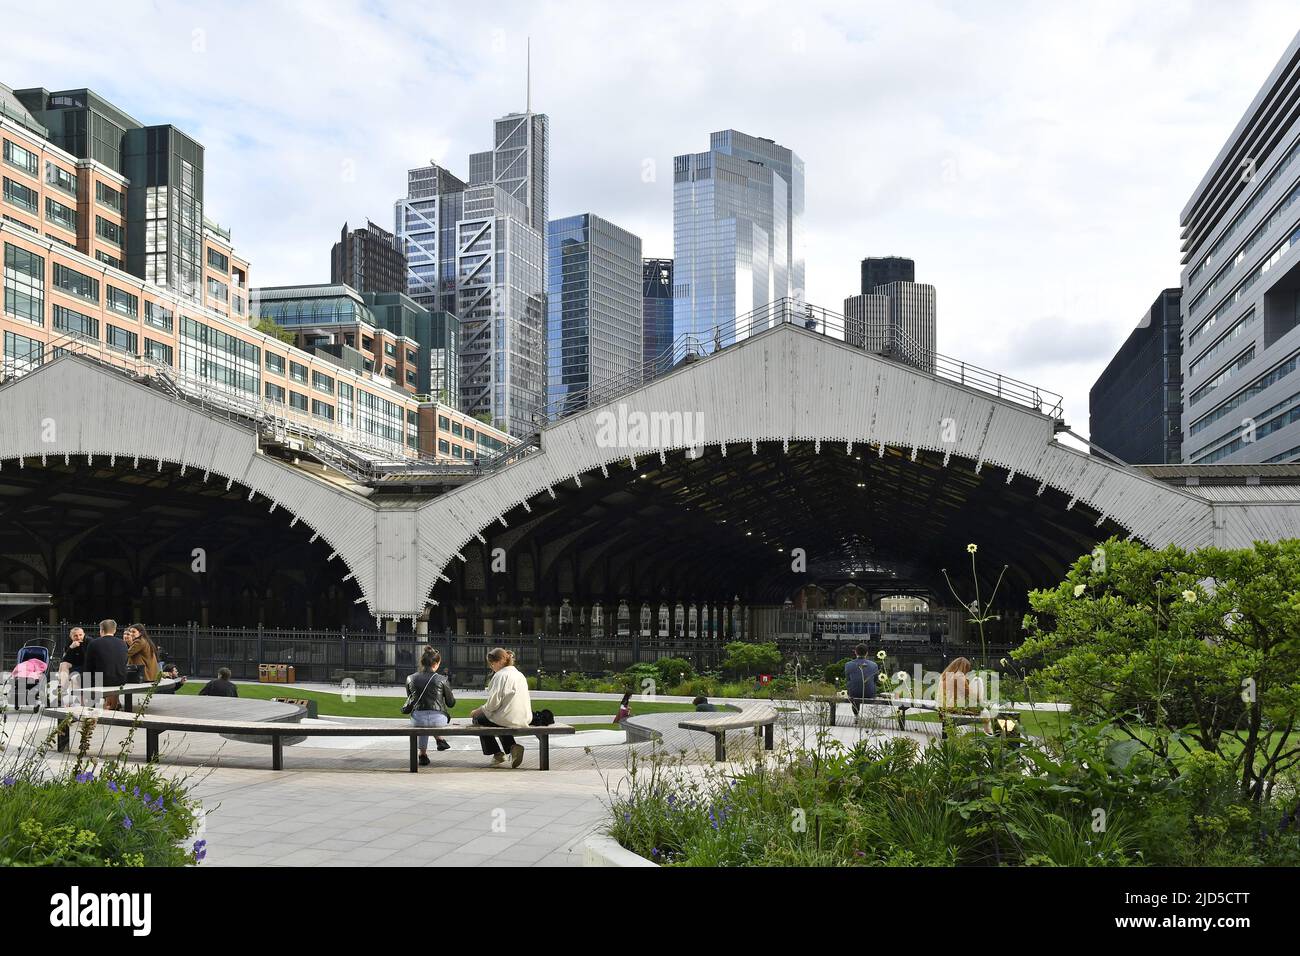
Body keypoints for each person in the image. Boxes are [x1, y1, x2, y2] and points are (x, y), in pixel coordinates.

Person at [470, 648, 531, 768]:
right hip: (524, 717)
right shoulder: (519, 674)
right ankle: (512, 748)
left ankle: (497, 754)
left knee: (478, 719)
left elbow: (493, 704)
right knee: (496, 719)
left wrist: (477, 711)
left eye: (492, 664)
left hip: (508, 717)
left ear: (498, 662)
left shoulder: (500, 675)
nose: (492, 667)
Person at [405, 647, 455, 765]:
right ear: (436, 664)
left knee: (423, 723)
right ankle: (439, 739)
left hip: (418, 718)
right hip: (438, 719)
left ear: (422, 662)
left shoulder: (410, 678)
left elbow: (411, 699)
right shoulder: (442, 679)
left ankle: (422, 754)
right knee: (430, 720)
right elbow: (451, 703)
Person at [935, 657, 991, 733]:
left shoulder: (944, 676)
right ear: (964, 667)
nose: (967, 672)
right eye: (967, 669)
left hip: (942, 708)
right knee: (986, 712)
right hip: (953, 709)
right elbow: (971, 696)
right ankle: (989, 732)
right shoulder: (959, 676)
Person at [82, 619, 128, 710]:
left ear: (101, 630)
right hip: (120, 678)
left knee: (84, 677)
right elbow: (124, 661)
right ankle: (112, 705)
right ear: (114, 630)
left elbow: (88, 665)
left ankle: (91, 707)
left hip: (101, 680)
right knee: (109, 676)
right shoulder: (122, 643)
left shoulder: (94, 643)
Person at [844, 643, 880, 718]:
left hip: (853, 693)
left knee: (854, 690)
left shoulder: (848, 664)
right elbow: (876, 680)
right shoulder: (874, 665)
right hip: (870, 693)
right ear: (867, 653)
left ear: (855, 652)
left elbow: (848, 679)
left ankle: (856, 715)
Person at [57, 626, 86, 693]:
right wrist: (71, 648)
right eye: (75, 636)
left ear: (84, 634)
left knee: (62, 666)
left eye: (80, 635)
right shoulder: (70, 644)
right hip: (74, 666)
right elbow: (64, 659)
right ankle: (63, 687)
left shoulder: (88, 642)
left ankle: (61, 686)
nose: (78, 637)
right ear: (71, 636)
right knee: (63, 664)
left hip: (84, 666)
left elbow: (87, 658)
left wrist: (81, 647)